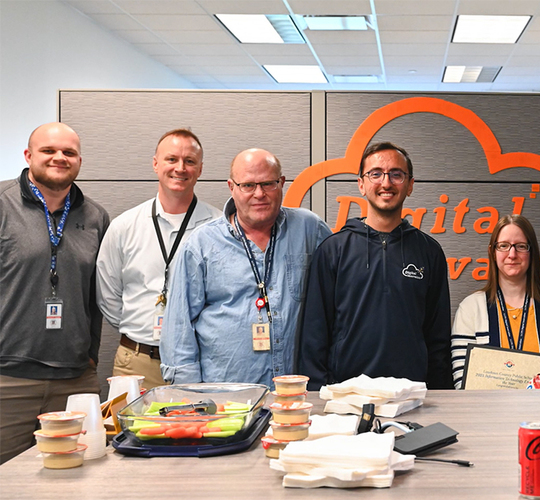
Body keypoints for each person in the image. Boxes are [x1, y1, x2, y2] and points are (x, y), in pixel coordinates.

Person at [158, 148, 331, 387]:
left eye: (268, 184)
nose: (259, 194)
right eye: (248, 185)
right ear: (232, 187)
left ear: (282, 183)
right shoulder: (201, 245)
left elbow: (336, 306)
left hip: (296, 393)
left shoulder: (310, 230)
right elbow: (178, 328)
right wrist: (192, 397)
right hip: (226, 397)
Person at [299, 142, 452, 390]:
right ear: (361, 184)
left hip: (412, 395)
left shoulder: (429, 252)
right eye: (376, 174)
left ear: (410, 185)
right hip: (346, 396)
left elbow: (438, 338)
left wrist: (440, 396)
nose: (386, 183)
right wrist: (317, 395)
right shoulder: (333, 250)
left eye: (396, 174)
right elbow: (314, 337)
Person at [0, 123, 110, 464]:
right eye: (49, 151)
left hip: (75, 380)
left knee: (80, 476)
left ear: (79, 160)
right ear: (28, 156)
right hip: (8, 380)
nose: (59, 158)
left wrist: (89, 355)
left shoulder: (94, 216)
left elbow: (98, 297)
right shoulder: (2, 206)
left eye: (69, 152)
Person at [96, 129, 222, 390]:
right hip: (137, 361)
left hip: (200, 363)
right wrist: (141, 331)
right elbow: (107, 295)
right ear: (155, 164)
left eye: (189, 161)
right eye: (171, 159)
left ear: (200, 169)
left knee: (196, 431)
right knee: (129, 432)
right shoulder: (125, 226)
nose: (180, 168)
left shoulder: (219, 227)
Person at [451, 215, 540, 388]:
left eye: (521, 246)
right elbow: (462, 381)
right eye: (503, 246)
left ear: (531, 253)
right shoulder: (470, 308)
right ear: (492, 252)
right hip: (487, 413)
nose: (512, 254)